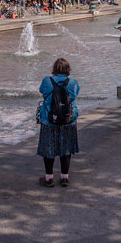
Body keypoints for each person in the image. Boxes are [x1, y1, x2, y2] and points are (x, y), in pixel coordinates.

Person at [37, 58, 79, 188]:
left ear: (54, 69)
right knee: (66, 149)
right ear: (68, 69)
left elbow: (41, 91)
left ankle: (49, 178)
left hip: (49, 120)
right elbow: (74, 95)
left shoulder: (46, 81)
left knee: (49, 149)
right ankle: (64, 178)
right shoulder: (73, 82)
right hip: (68, 120)